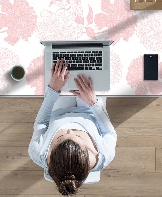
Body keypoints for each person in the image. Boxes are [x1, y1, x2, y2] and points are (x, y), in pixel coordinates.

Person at [29, 58, 117, 195]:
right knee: (92, 72)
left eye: (61, 137)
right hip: (90, 111)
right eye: (77, 136)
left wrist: (53, 90)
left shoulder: (38, 153)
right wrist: (93, 102)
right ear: (89, 153)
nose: (69, 129)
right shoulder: (105, 155)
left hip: (58, 112)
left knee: (57, 75)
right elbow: (109, 133)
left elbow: (41, 123)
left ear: (50, 155)